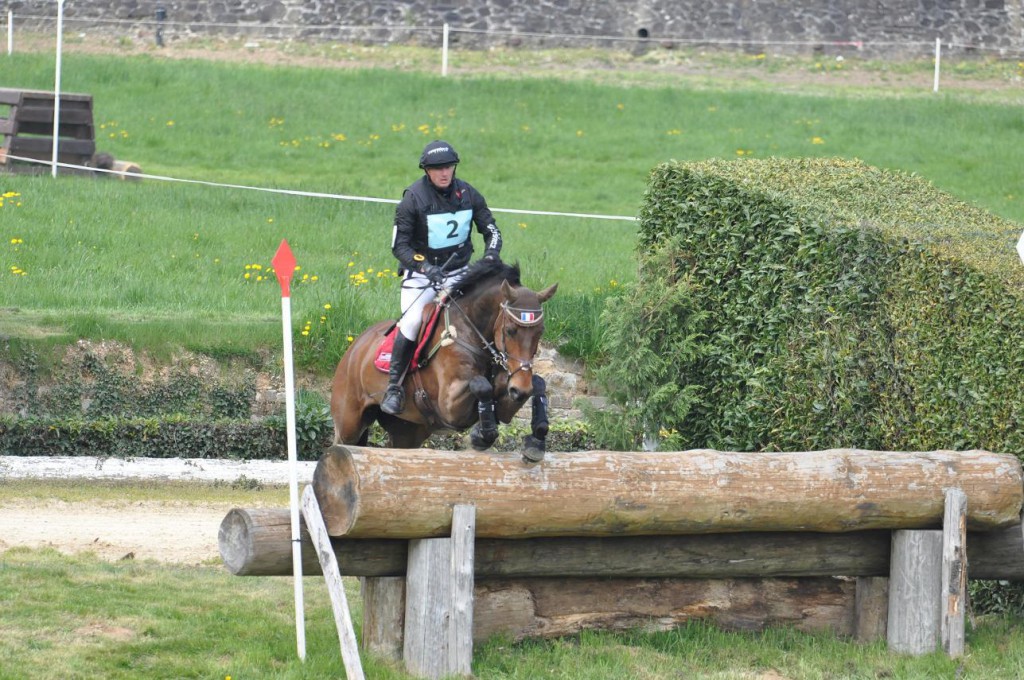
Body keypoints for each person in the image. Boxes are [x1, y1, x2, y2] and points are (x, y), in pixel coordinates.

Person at [381, 140, 503, 415]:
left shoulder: (469, 194)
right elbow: (399, 247)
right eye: (437, 169)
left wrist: (492, 254)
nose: (444, 173)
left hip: (458, 272)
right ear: (427, 171)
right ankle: (394, 387)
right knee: (412, 322)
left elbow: (491, 230)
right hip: (422, 276)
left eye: (448, 167)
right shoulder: (412, 199)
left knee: (479, 316)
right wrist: (424, 267)